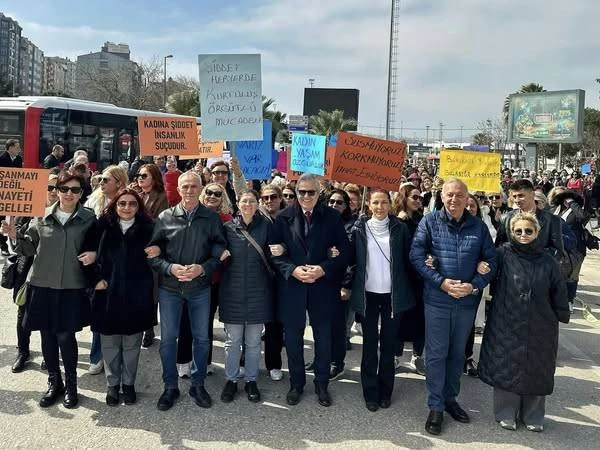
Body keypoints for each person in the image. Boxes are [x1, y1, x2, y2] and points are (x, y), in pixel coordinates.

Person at [2, 172, 97, 409]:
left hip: (71, 286)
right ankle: (55, 383)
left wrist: (96, 254)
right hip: (42, 284)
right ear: (57, 191)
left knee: (65, 336)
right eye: (64, 189)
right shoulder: (41, 215)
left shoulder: (89, 218)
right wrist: (14, 236)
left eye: (75, 190)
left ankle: (72, 385)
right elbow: (28, 247)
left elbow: (99, 245)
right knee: (47, 335)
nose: (68, 194)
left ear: (81, 193)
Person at [410, 178, 497, 436]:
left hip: (466, 301)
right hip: (438, 299)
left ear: (466, 197)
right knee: (436, 355)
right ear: (442, 196)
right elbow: (416, 256)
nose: (453, 199)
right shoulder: (430, 222)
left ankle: (450, 399)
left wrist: (474, 285)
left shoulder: (478, 227)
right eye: (449, 194)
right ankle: (435, 406)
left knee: (457, 354)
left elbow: (491, 261)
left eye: (459, 195)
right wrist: (441, 283)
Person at [479, 212, 569, 432]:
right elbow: (487, 272)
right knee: (505, 365)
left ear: (537, 232)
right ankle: (505, 413)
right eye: (518, 231)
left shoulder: (548, 260)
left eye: (528, 231)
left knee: (537, 368)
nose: (523, 235)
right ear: (511, 232)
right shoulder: (502, 254)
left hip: (541, 322)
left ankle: (533, 415)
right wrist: (481, 266)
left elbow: (559, 289)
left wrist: (561, 312)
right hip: (506, 319)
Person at [270, 173, 350, 407]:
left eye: (311, 192)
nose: (306, 196)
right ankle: (296, 384)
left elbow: (344, 251)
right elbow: (274, 254)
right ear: (296, 194)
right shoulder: (283, 218)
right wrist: (292, 270)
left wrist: (324, 269)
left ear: (319, 194)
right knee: (293, 339)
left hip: (322, 287)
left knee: (323, 339)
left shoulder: (333, 217)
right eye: (302, 192)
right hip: (293, 287)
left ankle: (322, 384)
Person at [148, 171, 226, 411]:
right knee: (169, 340)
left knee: (202, 339)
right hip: (171, 288)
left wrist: (202, 269)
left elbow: (220, 248)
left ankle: (198, 384)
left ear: (200, 188)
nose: (190, 190)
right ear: (179, 189)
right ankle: (170, 386)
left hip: (200, 288)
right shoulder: (165, 217)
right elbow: (153, 252)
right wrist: (170, 268)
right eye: (185, 187)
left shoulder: (211, 218)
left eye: (194, 186)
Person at [349, 188, 414, 412]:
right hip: (367, 294)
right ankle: (370, 391)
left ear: (390, 204)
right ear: (368, 204)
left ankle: (386, 390)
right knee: (369, 345)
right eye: (375, 203)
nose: (379, 207)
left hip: (392, 295)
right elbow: (351, 260)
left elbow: (408, 259)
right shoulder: (359, 228)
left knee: (388, 345)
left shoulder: (400, 228)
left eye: (384, 202)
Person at [90, 189, 156, 406]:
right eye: (122, 204)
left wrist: (159, 250)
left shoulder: (149, 228)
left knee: (131, 344)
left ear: (138, 207)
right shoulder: (102, 227)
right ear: (115, 206)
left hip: (137, 294)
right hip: (107, 293)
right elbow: (85, 255)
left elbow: (162, 253)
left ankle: (128, 384)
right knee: (109, 343)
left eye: (132, 204)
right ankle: (112, 384)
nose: (127, 208)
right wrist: (95, 279)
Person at [218, 190, 274, 403]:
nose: (248, 204)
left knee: (252, 342)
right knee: (232, 342)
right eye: (244, 201)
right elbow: (214, 246)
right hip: (232, 291)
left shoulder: (267, 227)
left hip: (259, 291)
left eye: (251, 201)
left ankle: (251, 380)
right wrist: (218, 253)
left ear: (257, 204)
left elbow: (275, 255)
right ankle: (231, 380)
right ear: (238, 204)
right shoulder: (227, 228)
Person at [8, 173, 59, 373]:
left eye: (58, 187)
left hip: (52, 272)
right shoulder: (28, 210)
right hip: (27, 270)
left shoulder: (63, 212)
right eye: (49, 188)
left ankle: (50, 355)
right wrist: (12, 233)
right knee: (23, 313)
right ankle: (23, 352)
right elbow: (14, 242)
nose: (54, 192)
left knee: (51, 315)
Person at [84, 165, 129, 375]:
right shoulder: (92, 202)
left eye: (105, 180)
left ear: (119, 183)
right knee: (98, 310)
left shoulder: (128, 202)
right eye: (100, 179)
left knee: (118, 312)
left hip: (120, 267)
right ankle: (96, 355)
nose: (100, 183)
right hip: (98, 265)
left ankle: (115, 357)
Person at [131, 163, 169, 348]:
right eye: (138, 175)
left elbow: (161, 223)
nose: (140, 178)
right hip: (133, 249)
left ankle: (149, 329)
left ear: (154, 178)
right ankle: (137, 323)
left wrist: (139, 216)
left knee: (151, 290)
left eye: (144, 175)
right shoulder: (135, 195)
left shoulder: (161, 197)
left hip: (151, 248)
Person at [393, 183, 426, 376]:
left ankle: (417, 356)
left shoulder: (423, 221)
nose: (418, 200)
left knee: (420, 318)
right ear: (404, 198)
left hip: (419, 277)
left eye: (420, 198)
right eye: (414, 197)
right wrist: (398, 222)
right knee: (399, 318)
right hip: (399, 277)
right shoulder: (394, 221)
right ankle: (395, 355)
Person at [325, 189, 355, 379]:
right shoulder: (323, 222)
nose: (334, 205)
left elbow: (353, 260)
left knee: (338, 327)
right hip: (323, 282)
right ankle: (324, 359)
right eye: (331, 202)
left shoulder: (352, 227)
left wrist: (346, 285)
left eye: (339, 202)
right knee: (323, 325)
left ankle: (337, 362)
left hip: (340, 284)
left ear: (346, 206)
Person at [258, 184, 286, 382]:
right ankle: (243, 362)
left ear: (280, 198)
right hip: (258, 279)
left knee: (275, 325)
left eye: (273, 197)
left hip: (282, 280)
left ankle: (274, 364)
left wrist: (284, 247)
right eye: (265, 197)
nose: (269, 201)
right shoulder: (256, 220)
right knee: (251, 324)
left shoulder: (288, 220)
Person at [496, 179, 564, 258]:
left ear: (532, 194)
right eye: (514, 196)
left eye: (521, 196)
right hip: (513, 267)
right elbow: (499, 246)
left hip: (540, 267)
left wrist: (532, 256)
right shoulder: (506, 218)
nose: (517, 200)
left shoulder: (552, 220)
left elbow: (557, 252)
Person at [0, 139, 22, 256]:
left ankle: (14, 243)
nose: (19, 149)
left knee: (12, 221)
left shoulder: (19, 159)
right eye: (17, 147)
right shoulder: (1, 159)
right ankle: (3, 246)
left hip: (14, 196)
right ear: (10, 148)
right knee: (2, 220)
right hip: (2, 196)